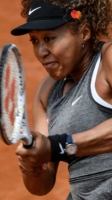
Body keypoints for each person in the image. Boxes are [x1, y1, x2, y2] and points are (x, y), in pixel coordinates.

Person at [11, 0, 112, 199]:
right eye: (35, 41)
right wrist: (32, 166)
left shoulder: (107, 59)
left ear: (84, 33)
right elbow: (42, 186)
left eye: (49, 38)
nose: (41, 52)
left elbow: (55, 146)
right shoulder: (46, 92)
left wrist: (59, 146)